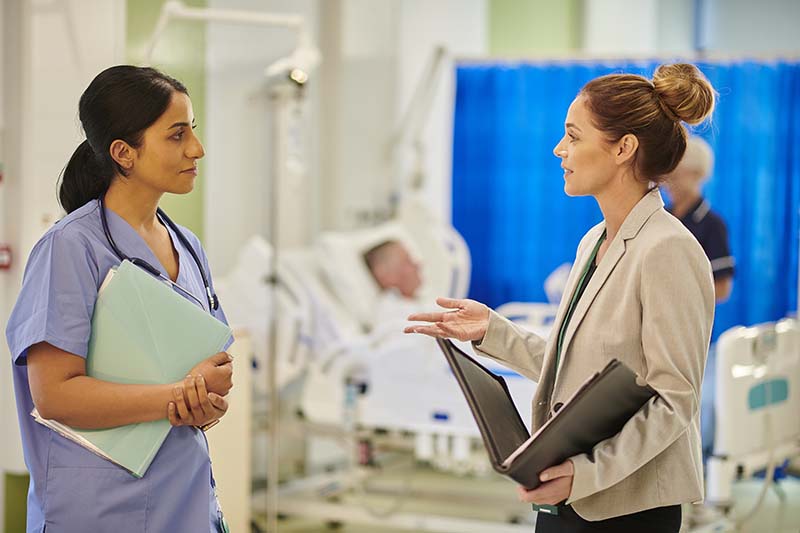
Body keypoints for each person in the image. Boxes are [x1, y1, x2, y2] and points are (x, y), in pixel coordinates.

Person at [406, 64, 716, 533]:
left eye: (573, 135)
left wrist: (585, 473)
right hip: (565, 492)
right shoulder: (594, 241)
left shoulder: (668, 250)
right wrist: (493, 330)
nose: (559, 149)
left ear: (623, 148)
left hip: (625, 508)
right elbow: (576, 369)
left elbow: (675, 400)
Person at [5, 66, 234, 532]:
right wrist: (176, 396)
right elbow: (54, 395)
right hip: (101, 511)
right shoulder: (71, 247)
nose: (197, 149)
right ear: (123, 153)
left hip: (185, 501)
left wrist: (205, 403)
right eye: (176, 135)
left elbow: (212, 365)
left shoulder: (187, 245)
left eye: (193, 130)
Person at [665, 135, 734, 303]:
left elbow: (723, 287)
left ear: (697, 174)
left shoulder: (712, 224)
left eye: (676, 176)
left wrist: (679, 300)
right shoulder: (660, 216)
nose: (668, 183)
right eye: (667, 176)